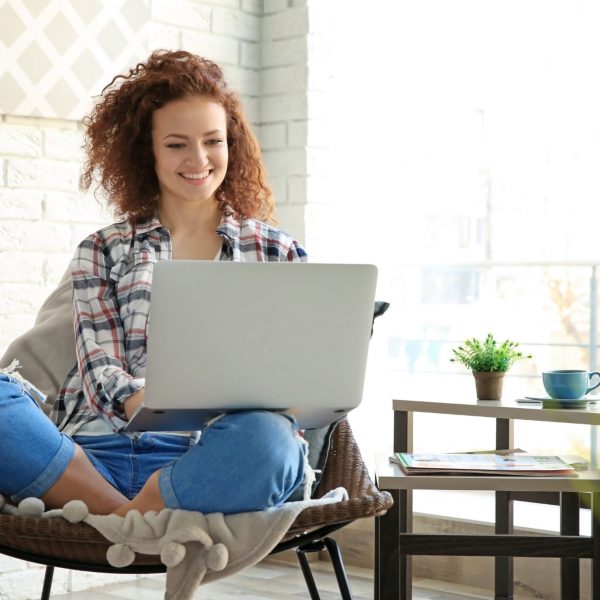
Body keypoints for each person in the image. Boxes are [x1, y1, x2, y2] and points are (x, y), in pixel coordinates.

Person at [0, 50, 307, 516]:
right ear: (149, 151)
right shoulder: (102, 250)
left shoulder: (278, 252)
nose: (199, 159)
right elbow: (101, 371)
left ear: (232, 145)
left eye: (213, 141)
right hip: (90, 458)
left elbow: (294, 379)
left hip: (209, 458)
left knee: (273, 441)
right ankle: (138, 518)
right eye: (176, 144)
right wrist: (153, 403)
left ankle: (119, 520)